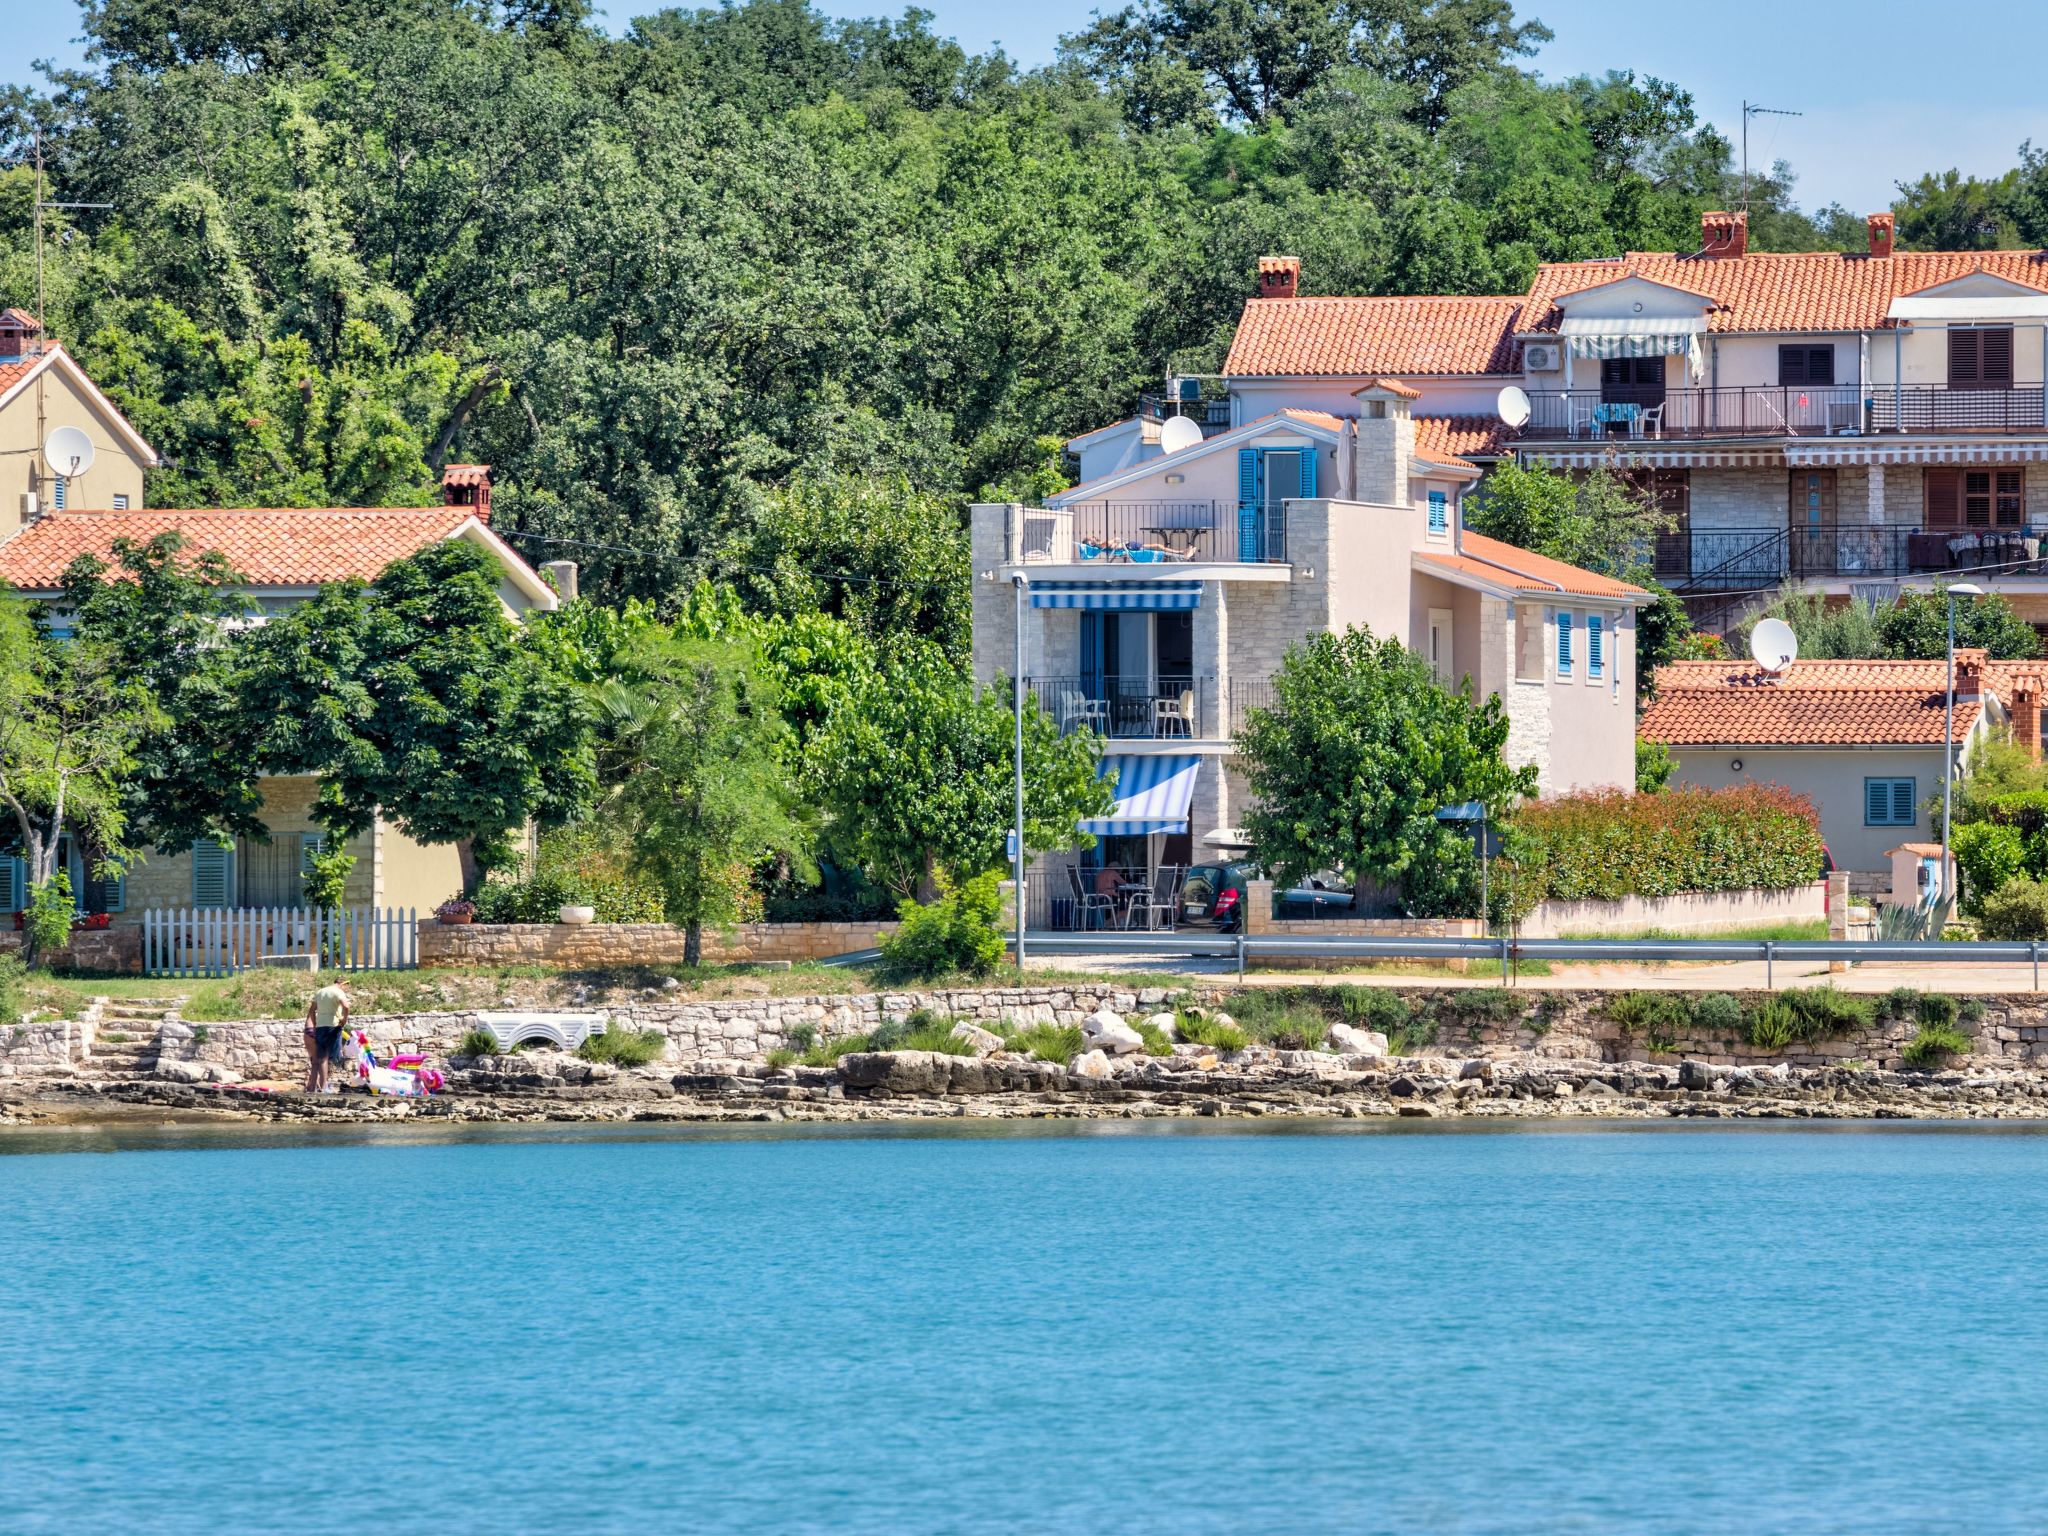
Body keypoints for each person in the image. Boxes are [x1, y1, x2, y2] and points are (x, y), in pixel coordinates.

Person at [304, 979, 352, 1093]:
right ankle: (324, 1086)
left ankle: (315, 1088)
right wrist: (344, 1019)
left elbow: (312, 1010)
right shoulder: (338, 991)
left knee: (320, 1057)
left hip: (321, 1027)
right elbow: (346, 1006)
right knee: (333, 1057)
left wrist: (315, 1024)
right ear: (342, 984)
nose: (346, 989)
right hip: (333, 1026)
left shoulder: (320, 992)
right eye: (346, 986)